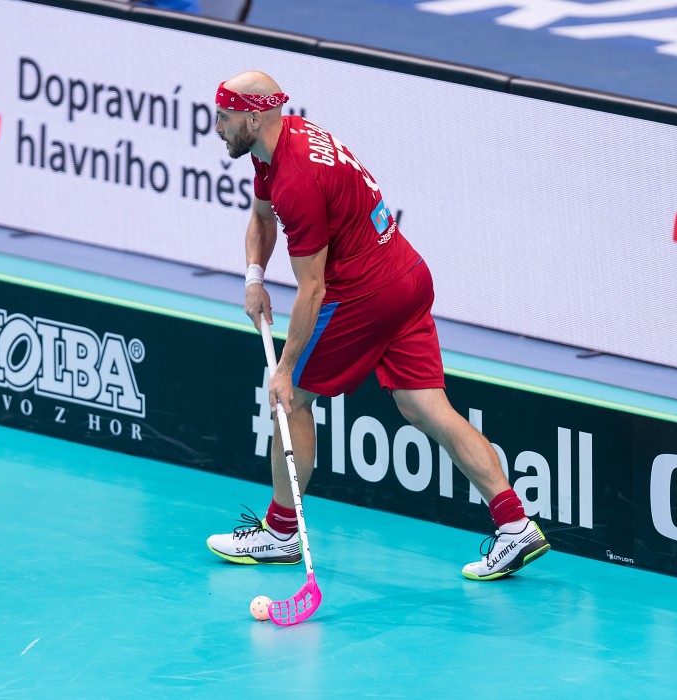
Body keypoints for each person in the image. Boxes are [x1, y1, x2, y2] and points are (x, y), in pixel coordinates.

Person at [205, 70, 550, 581]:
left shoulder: (298, 179)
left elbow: (314, 289)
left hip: (366, 294)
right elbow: (261, 218)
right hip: (407, 277)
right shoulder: (278, 144)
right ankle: (514, 524)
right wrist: (254, 277)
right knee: (426, 407)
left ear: (254, 117)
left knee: (293, 398)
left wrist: (285, 367)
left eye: (225, 117)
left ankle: (281, 534)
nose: (218, 126)